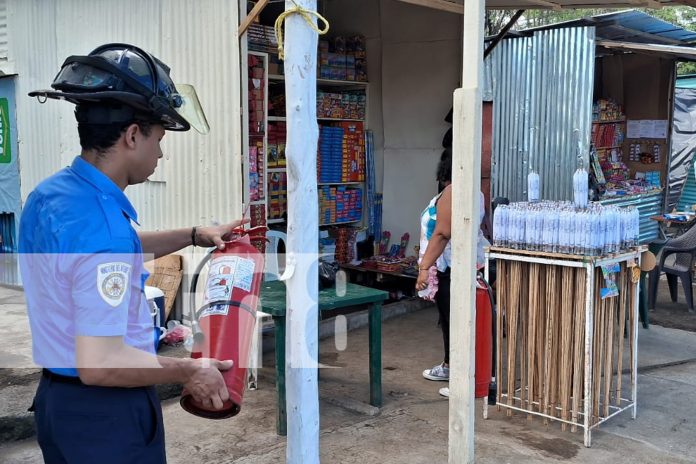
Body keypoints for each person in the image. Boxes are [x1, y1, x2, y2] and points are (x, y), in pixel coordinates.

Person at [20, 43, 246, 463]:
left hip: (59, 404)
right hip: (104, 417)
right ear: (132, 135)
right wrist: (188, 370)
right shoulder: (103, 229)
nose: (160, 153)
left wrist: (195, 234)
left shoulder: (54, 195)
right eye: (159, 139)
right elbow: (100, 364)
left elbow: (102, 253)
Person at [416, 148, 487, 398]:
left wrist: (425, 268)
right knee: (456, 320)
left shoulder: (453, 192)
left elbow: (443, 233)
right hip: (468, 265)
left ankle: (465, 378)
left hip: (454, 267)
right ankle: (453, 368)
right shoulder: (475, 193)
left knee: (457, 321)